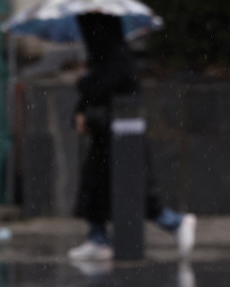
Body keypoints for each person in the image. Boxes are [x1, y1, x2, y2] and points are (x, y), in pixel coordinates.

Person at [67, 13, 196, 261]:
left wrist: (84, 81)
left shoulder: (118, 57)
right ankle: (97, 238)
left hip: (124, 137)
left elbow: (99, 87)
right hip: (106, 134)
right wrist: (80, 113)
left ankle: (176, 223)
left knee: (135, 190)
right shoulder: (104, 58)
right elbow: (92, 95)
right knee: (96, 187)